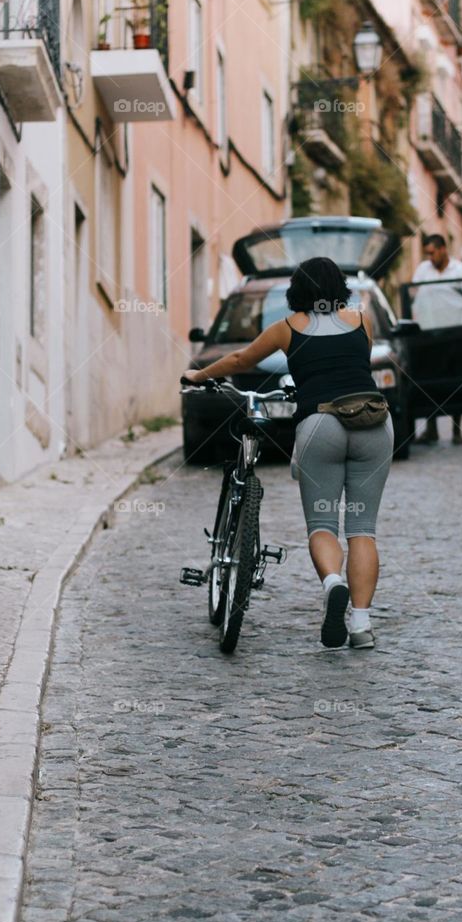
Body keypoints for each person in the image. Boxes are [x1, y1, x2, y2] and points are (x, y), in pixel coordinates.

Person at [183, 257, 393, 651]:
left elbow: (240, 360)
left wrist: (197, 374)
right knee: (363, 530)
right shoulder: (360, 321)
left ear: (297, 291)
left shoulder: (286, 328)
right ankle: (362, 626)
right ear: (339, 289)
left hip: (321, 425)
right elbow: (355, 365)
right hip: (374, 424)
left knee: (323, 526)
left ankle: (334, 583)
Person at [411, 233, 462, 445]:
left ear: (443, 249)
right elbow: (413, 296)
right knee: (430, 382)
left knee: (457, 381)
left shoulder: (461, 270)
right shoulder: (423, 270)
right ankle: (431, 429)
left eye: (432, 252)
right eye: (427, 253)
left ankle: (458, 431)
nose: (430, 257)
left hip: (455, 335)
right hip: (430, 336)